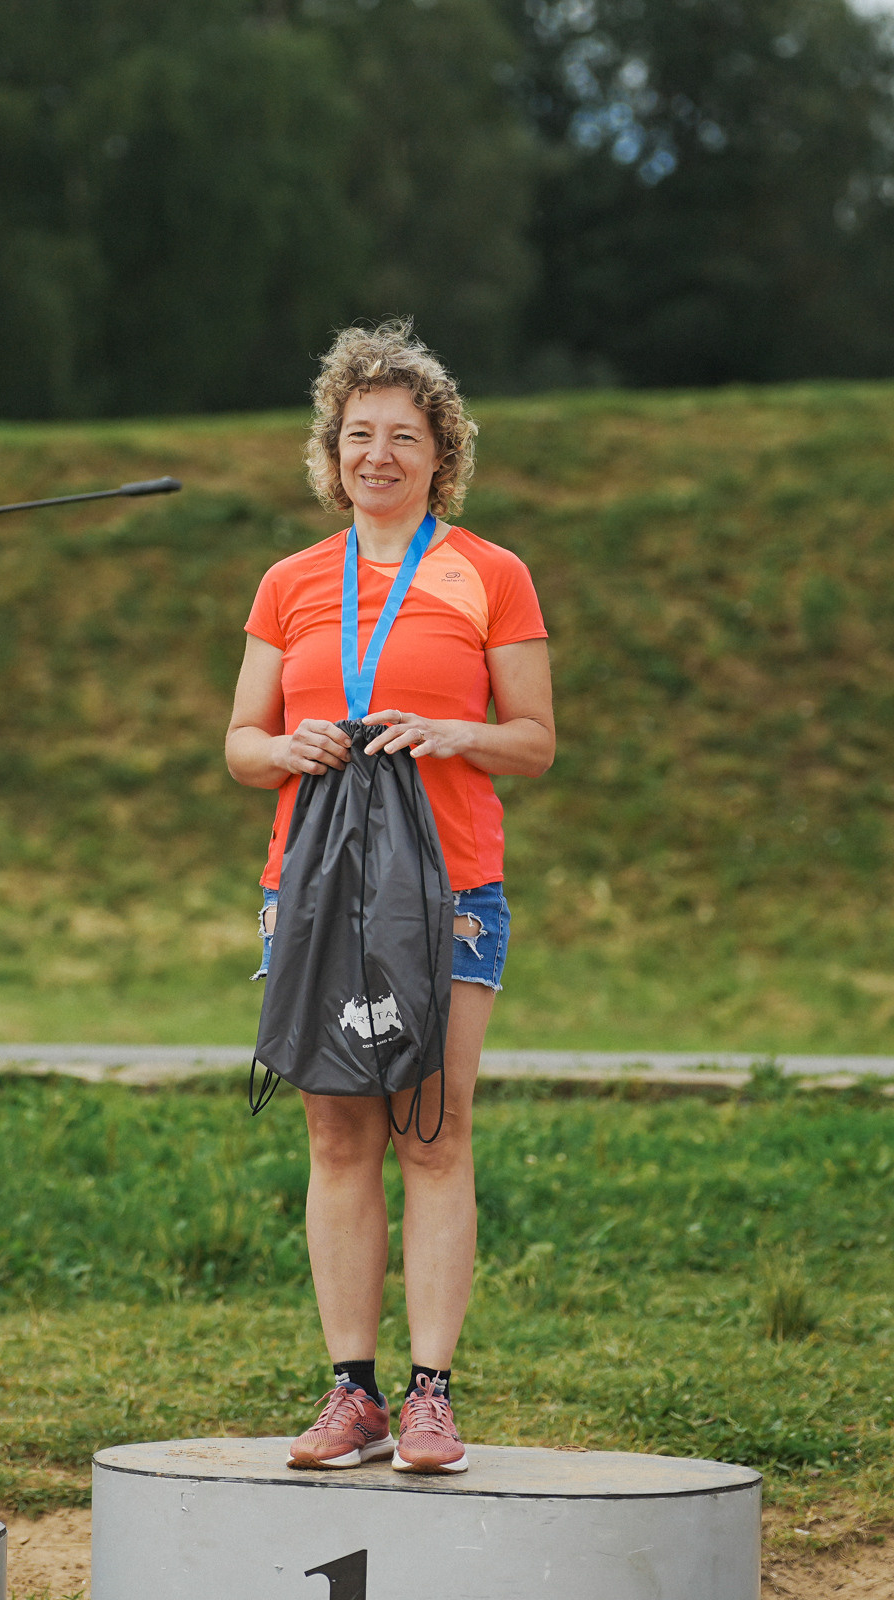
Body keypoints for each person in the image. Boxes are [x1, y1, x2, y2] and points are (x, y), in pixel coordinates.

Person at [225, 321, 555, 1475]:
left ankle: (431, 1396)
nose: (379, 454)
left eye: (403, 436)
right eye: (358, 434)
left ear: (440, 453)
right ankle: (351, 1391)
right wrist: (287, 747)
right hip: (314, 889)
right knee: (336, 1128)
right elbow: (240, 743)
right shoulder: (290, 582)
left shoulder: (491, 573)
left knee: (434, 1125)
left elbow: (535, 739)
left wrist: (458, 731)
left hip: (450, 885)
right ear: (333, 451)